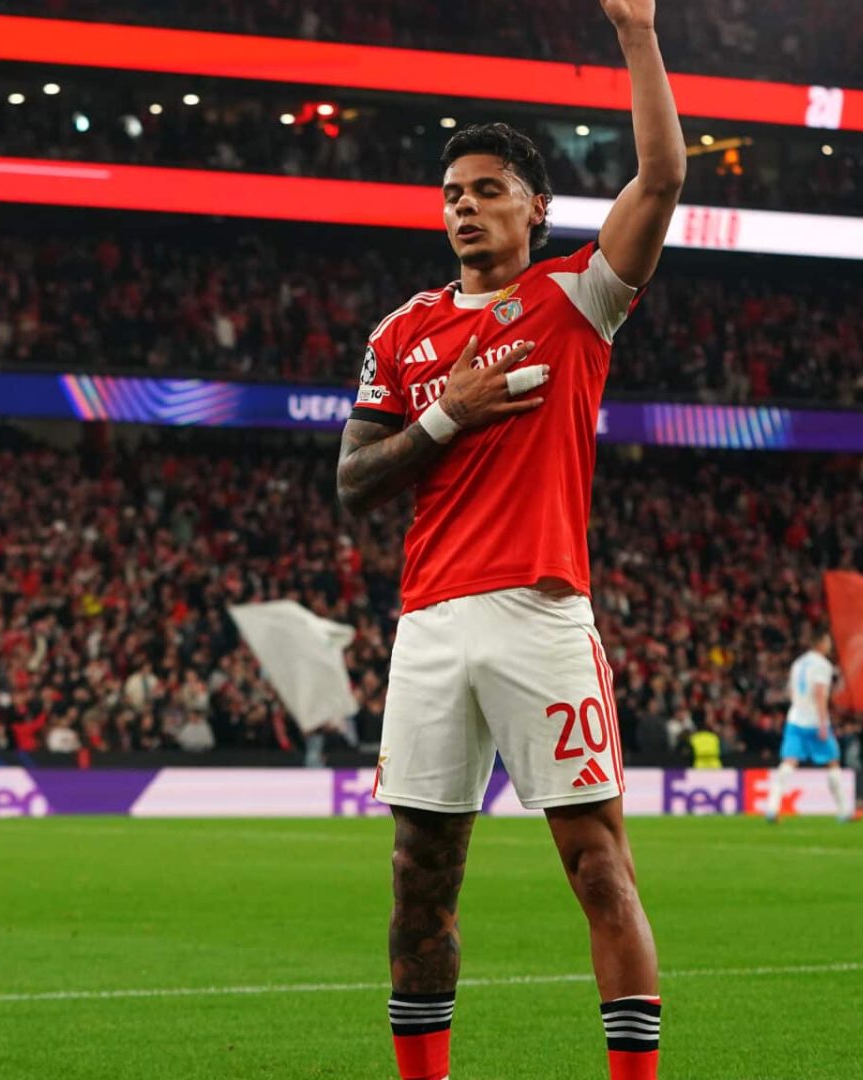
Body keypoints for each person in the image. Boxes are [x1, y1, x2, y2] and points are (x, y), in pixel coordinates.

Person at [335, 2, 684, 1076]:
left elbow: (663, 179)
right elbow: (352, 482)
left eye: (488, 190)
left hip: (538, 610)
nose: (465, 207)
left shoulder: (575, 297)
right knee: (418, 875)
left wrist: (636, 35)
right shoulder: (402, 333)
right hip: (430, 624)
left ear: (537, 206)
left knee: (595, 863)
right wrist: (451, 412)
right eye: (452, 194)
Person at [766, 632, 855, 823]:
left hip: (795, 719)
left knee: (789, 762)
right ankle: (843, 811)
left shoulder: (798, 663)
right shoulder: (823, 665)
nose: (830, 645)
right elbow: (820, 694)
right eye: (828, 642)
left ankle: (772, 808)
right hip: (815, 721)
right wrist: (823, 723)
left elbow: (791, 692)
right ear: (821, 643)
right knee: (832, 761)